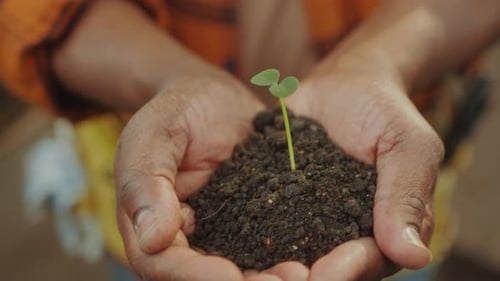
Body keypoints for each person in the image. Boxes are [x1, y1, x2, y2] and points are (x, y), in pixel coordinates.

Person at [1, 0, 499, 280]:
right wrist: (169, 79)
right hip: (167, 176)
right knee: (150, 234)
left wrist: (378, 62)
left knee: (405, 246)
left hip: (390, 159)